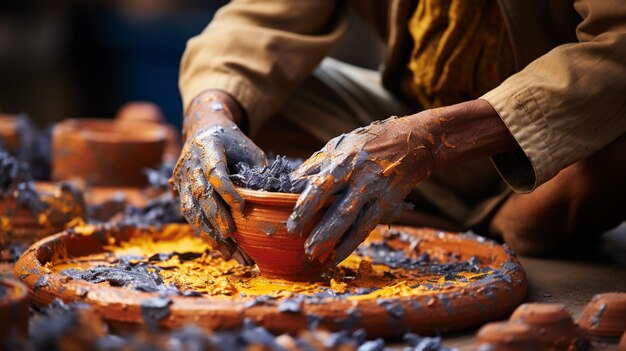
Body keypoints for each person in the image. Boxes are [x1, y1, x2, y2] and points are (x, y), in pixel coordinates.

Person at [172, 0, 626, 266]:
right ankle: (451, 224)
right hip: (415, 116)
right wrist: (209, 116)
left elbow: (617, 46)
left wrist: (428, 141)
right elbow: (256, 20)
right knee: (249, 100)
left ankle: (501, 223)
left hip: (558, 154)